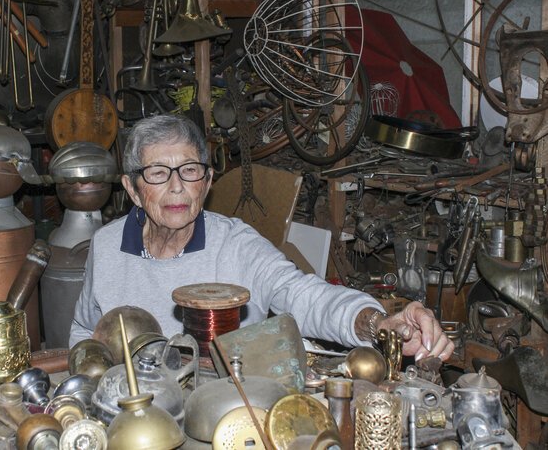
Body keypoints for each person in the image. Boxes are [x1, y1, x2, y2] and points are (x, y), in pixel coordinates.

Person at [69, 115, 454, 361]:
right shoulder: (105, 246)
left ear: (205, 183)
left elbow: (305, 296)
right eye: (157, 173)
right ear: (133, 189)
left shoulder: (235, 244)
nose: (176, 187)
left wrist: (378, 322)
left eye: (189, 170)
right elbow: (85, 330)